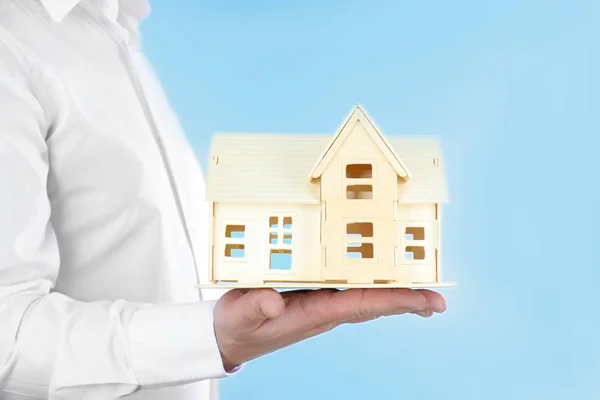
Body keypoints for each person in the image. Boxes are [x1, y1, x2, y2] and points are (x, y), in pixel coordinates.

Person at [0, 1, 447, 399]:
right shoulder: (12, 42)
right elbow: (7, 339)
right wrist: (212, 338)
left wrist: (293, 275)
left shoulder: (114, 32)